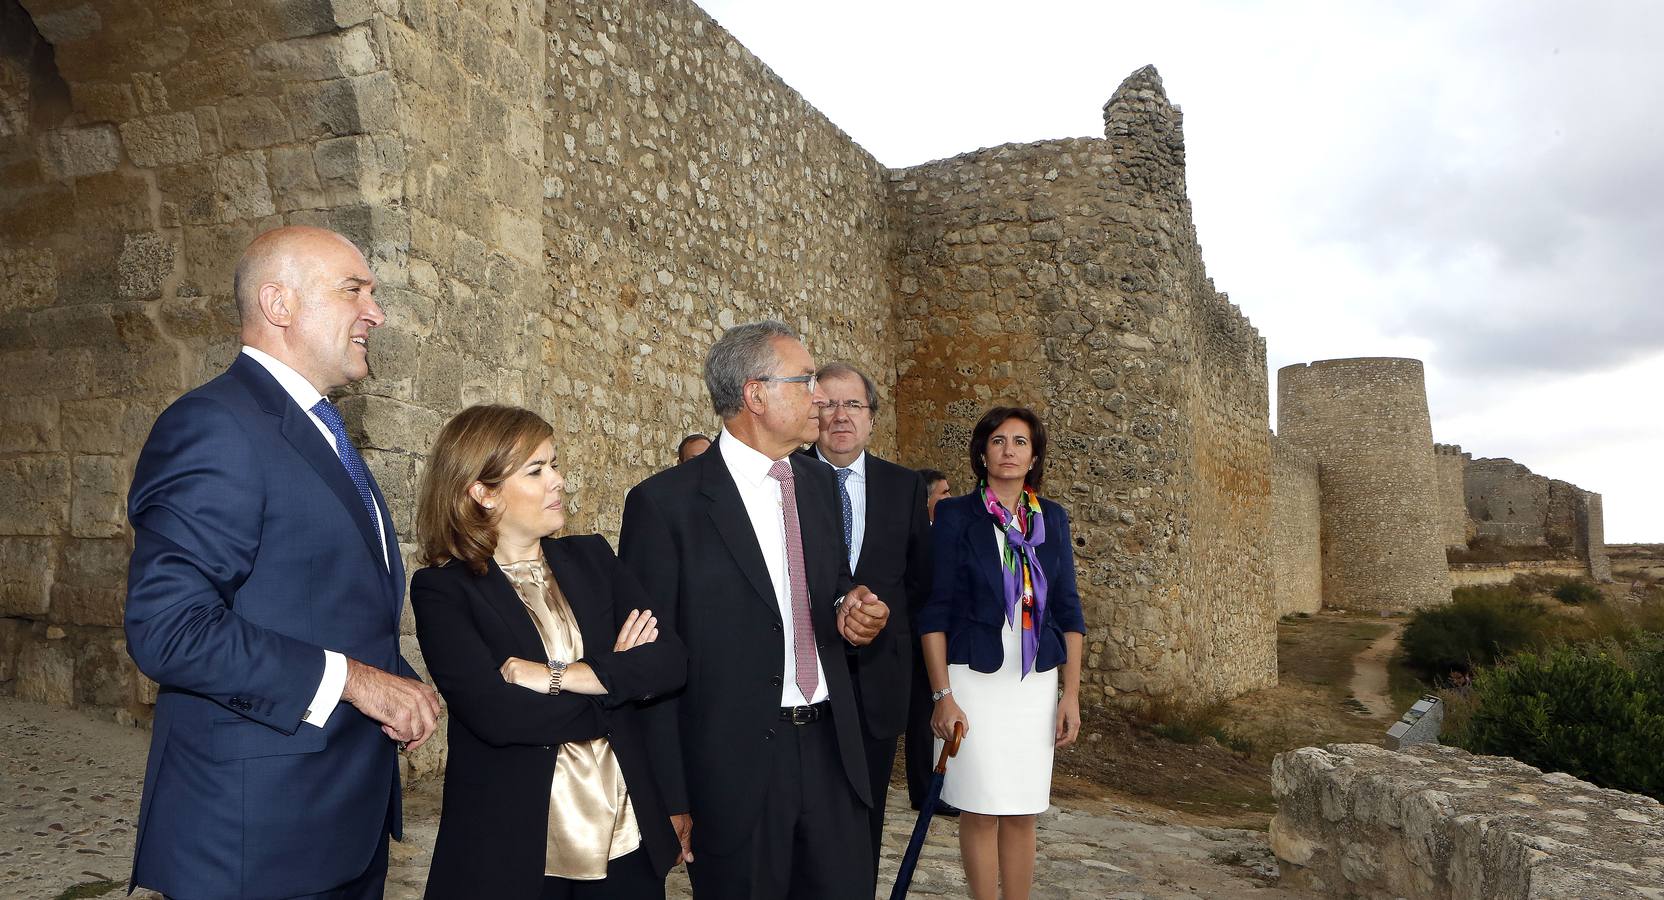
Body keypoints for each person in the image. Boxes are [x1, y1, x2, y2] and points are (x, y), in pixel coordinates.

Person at [123, 226, 440, 899]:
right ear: (280, 303)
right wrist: (357, 682)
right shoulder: (215, 425)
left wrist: (398, 682)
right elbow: (170, 629)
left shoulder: (318, 429)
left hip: (339, 826)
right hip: (256, 844)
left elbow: (312, 599)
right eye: (354, 290)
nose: (375, 313)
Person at [618, 320, 891, 900]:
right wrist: (670, 795)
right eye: (806, 380)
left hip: (831, 756)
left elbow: (831, 586)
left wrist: (851, 607)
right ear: (755, 394)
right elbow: (649, 660)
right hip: (733, 770)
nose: (819, 395)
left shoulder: (817, 487)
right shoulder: (665, 506)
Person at [410, 405, 687, 899]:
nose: (558, 480)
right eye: (537, 470)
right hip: (514, 844)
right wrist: (618, 682)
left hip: (624, 833)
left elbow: (670, 663)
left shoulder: (593, 558)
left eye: (554, 464)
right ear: (483, 492)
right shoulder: (443, 591)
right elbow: (497, 714)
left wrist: (558, 676)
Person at [919, 406, 1087, 900]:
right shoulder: (954, 515)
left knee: (1021, 807)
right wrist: (941, 695)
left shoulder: (1051, 518)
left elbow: (1070, 611)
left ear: (1034, 456)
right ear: (982, 451)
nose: (1008, 450)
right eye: (998, 440)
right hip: (973, 678)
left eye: (1019, 441)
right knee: (980, 805)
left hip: (1034, 681)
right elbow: (935, 613)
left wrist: (1070, 694)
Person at [803, 362, 932, 878]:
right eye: (826, 405)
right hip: (805, 677)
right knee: (805, 812)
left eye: (852, 405)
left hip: (878, 679)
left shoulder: (904, 487)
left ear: (872, 418)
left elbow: (919, 584)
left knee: (867, 817)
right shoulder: (784, 479)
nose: (839, 417)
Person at [904, 469, 953, 814]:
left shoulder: (945, 536)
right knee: (921, 715)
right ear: (928, 500)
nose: (950, 498)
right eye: (944, 493)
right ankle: (924, 791)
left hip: (940, 637)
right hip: (916, 637)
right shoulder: (918, 537)